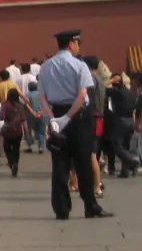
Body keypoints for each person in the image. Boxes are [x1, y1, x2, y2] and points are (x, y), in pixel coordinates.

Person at [36, 30, 112, 219]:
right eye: (78, 43)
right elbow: (83, 95)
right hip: (78, 117)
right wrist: (69, 117)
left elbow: (42, 97)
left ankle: (61, 208)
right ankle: (90, 205)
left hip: (57, 114)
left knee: (59, 163)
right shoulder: (79, 65)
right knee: (83, 162)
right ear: (71, 44)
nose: (79, 46)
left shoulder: (45, 67)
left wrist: (54, 118)